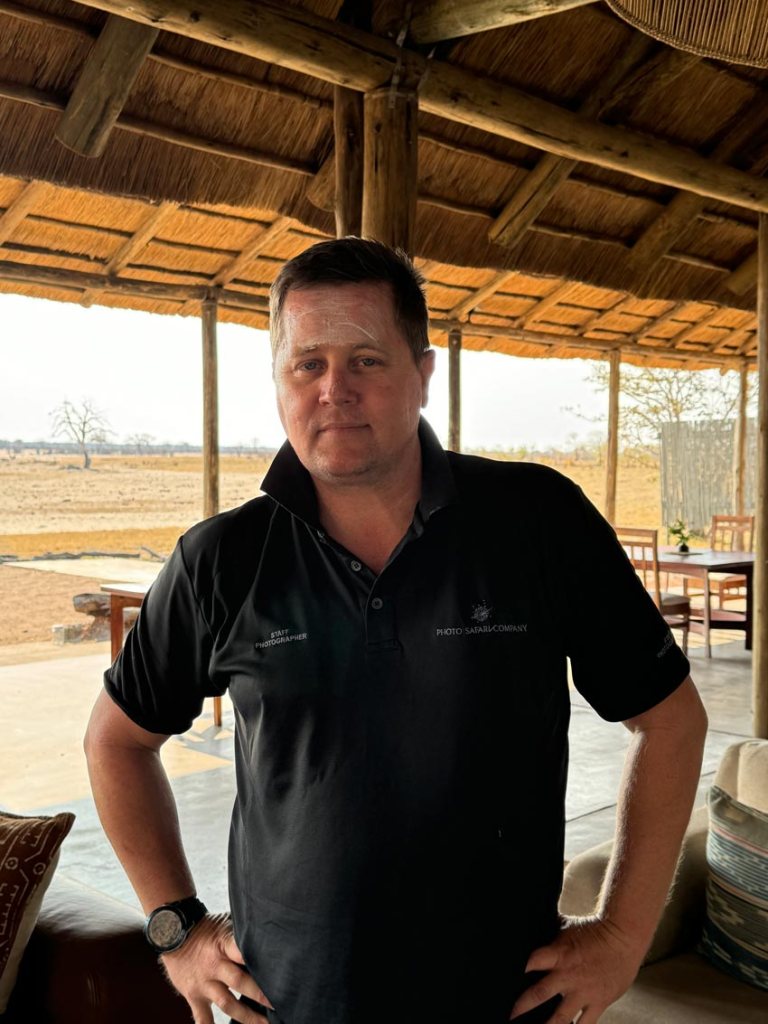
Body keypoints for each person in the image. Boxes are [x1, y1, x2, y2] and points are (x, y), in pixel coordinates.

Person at [85, 237, 708, 1024]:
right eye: (307, 364)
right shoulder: (223, 559)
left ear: (422, 373)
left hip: (506, 1000)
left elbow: (671, 720)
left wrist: (623, 934)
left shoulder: (536, 521)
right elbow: (116, 741)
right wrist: (176, 929)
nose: (334, 389)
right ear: (278, 382)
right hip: (291, 1001)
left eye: (367, 360)